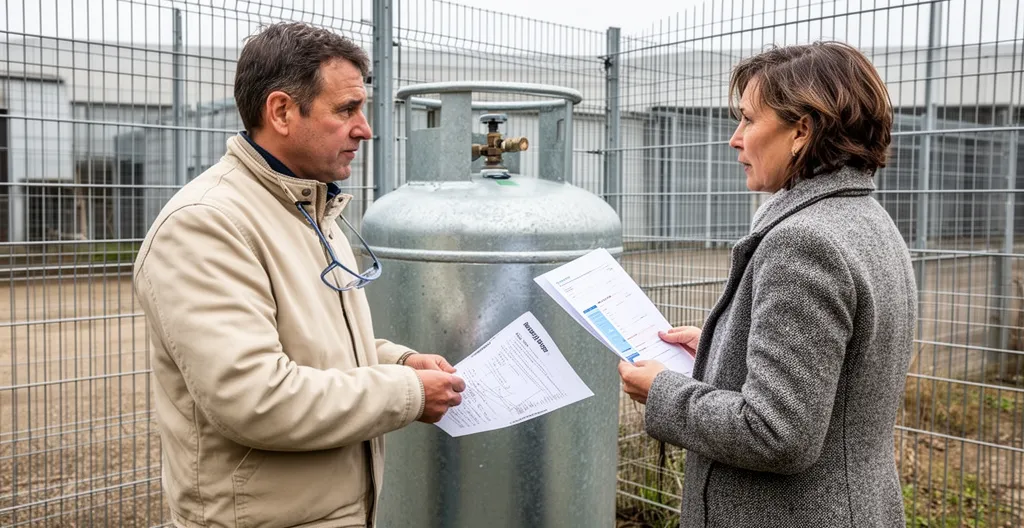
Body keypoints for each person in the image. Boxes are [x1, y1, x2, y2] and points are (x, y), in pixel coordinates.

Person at [133, 22, 465, 528]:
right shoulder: (206, 225)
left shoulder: (308, 204)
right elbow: (255, 397)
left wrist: (401, 359)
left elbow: (313, 346)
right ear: (282, 111)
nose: (365, 129)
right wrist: (408, 392)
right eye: (347, 109)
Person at [618, 41, 916, 527]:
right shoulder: (868, 220)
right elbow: (841, 379)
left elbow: (777, 433)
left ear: (801, 131)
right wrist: (718, 350)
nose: (735, 138)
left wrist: (663, 393)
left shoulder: (803, 241)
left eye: (749, 120)